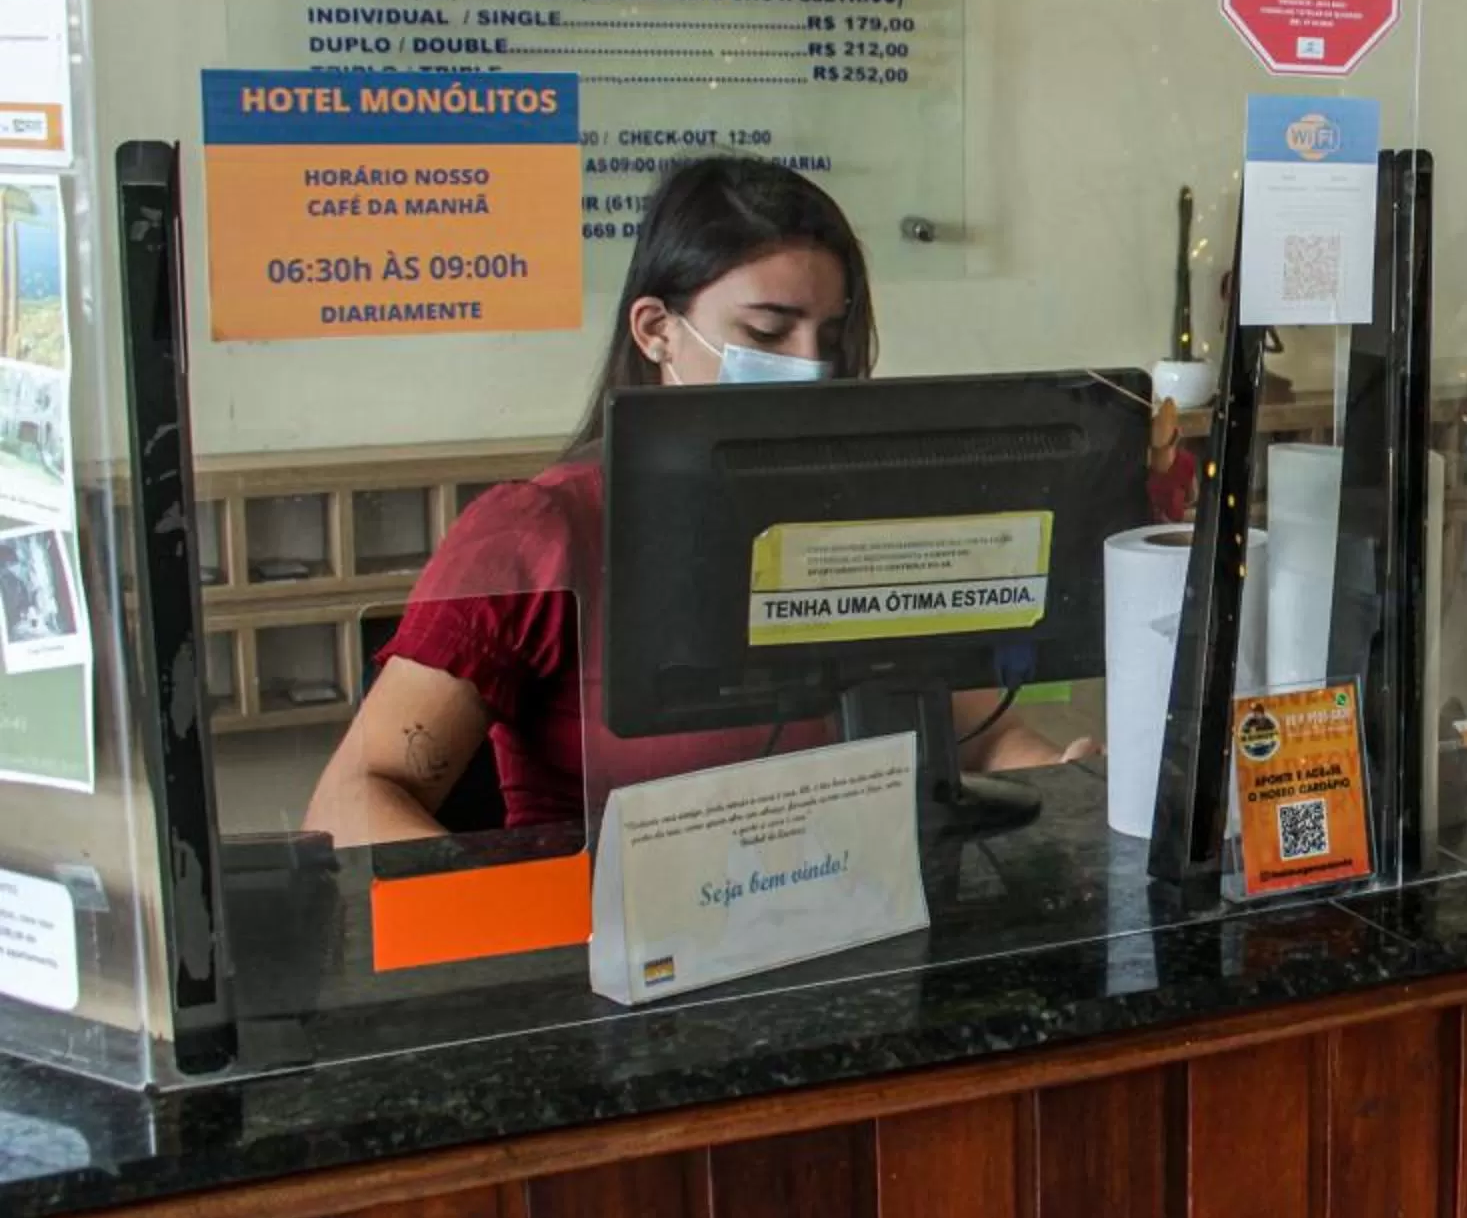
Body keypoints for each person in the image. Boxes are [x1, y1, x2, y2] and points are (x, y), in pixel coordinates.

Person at [306, 159, 1091, 845]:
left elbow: (982, 738)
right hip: (619, 970)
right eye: (769, 331)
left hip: (845, 931)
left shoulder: (855, 517)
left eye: (832, 335)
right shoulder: (543, 532)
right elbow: (352, 801)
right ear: (656, 331)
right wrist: (528, 935)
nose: (811, 366)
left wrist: (1066, 777)